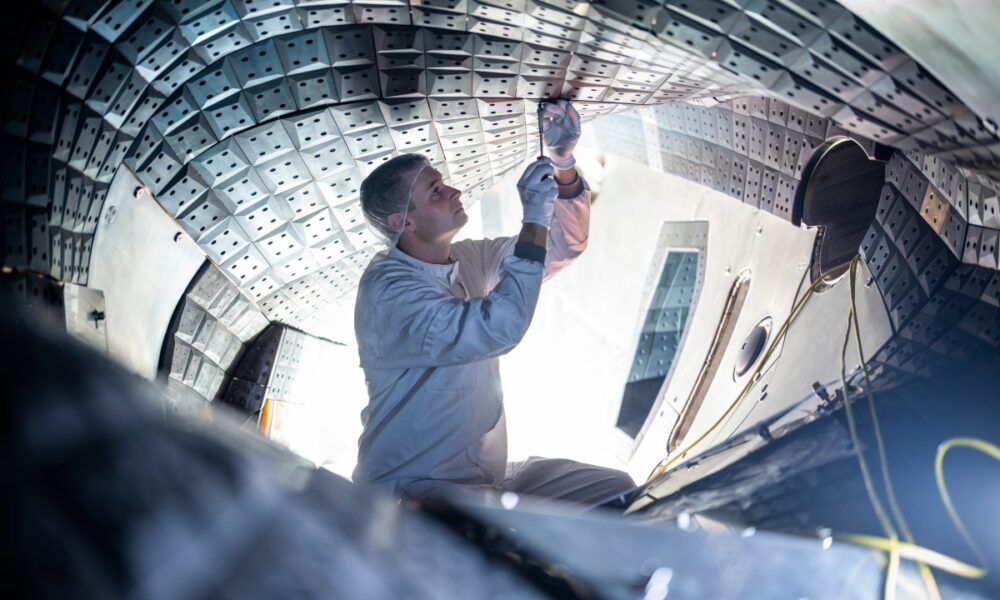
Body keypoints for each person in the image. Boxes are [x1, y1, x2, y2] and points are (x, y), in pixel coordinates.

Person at [353, 100, 635, 504]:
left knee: (615, 491)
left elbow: (561, 246)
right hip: (415, 491)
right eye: (436, 191)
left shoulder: (466, 259)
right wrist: (533, 217)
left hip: (485, 477)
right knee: (524, 532)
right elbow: (498, 327)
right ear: (403, 222)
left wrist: (564, 165)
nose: (455, 191)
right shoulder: (388, 293)